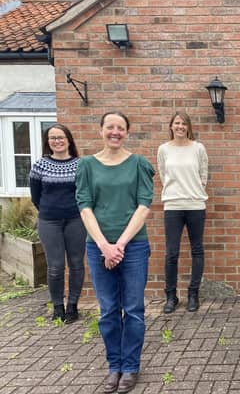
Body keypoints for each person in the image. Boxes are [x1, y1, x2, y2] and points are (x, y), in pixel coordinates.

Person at [76, 111, 155, 393]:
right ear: (101, 131)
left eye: (120, 128)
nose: (115, 132)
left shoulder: (138, 164)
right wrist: (104, 246)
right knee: (108, 310)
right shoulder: (86, 165)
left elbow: (143, 205)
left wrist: (119, 244)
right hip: (98, 246)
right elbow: (84, 206)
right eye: (110, 127)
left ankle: (130, 367)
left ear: (127, 133)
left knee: (133, 309)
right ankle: (115, 367)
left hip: (132, 246)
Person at [29, 124, 86, 323]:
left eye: (60, 137)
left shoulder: (81, 165)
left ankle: (72, 306)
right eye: (52, 138)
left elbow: (86, 194)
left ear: (69, 140)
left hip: (76, 220)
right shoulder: (39, 165)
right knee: (55, 266)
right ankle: (57, 307)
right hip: (49, 221)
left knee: (76, 264)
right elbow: (36, 196)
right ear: (48, 142)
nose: (57, 141)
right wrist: (50, 210)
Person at [157, 111, 209, 313]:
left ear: (188, 127)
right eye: (176, 123)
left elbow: (203, 173)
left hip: (195, 204)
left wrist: (196, 191)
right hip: (173, 205)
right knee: (172, 253)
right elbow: (163, 174)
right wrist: (175, 192)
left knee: (197, 250)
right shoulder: (164, 149)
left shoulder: (198, 148)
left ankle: (193, 293)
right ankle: (171, 296)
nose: (180, 126)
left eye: (183, 123)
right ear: (171, 126)